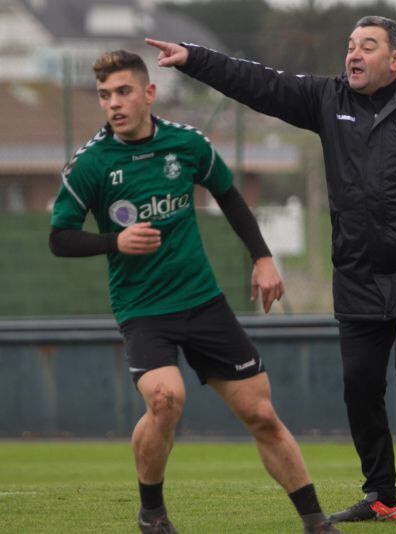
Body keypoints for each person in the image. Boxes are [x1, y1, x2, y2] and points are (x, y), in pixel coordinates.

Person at [147, 15, 396, 523]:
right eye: (350, 45)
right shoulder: (327, 99)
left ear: (395, 58)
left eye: (367, 46)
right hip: (358, 272)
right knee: (360, 383)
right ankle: (380, 494)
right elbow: (262, 83)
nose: (353, 54)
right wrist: (196, 58)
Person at [49, 50, 338, 534]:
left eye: (122, 92)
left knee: (261, 415)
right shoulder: (90, 164)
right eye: (104, 95)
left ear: (149, 92)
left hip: (203, 303)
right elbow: (59, 238)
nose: (113, 104)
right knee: (165, 399)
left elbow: (228, 194)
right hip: (143, 310)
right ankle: (153, 514)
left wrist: (263, 257)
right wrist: (113, 241)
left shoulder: (186, 145)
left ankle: (315, 522)